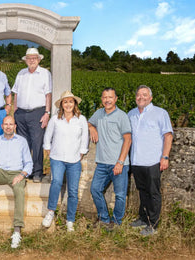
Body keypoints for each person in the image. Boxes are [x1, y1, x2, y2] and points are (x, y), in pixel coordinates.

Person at [0, 116, 33, 249]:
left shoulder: (22, 141)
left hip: (17, 173)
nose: (8, 126)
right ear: (2, 126)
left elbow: (29, 163)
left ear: (15, 126)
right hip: (1, 173)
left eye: (11, 124)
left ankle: (17, 230)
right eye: (6, 124)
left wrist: (21, 175)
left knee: (19, 191)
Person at [128, 85, 173, 236]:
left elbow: (168, 136)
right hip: (136, 160)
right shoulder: (131, 114)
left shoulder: (160, 113)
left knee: (153, 193)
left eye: (144, 95)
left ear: (151, 98)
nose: (141, 97)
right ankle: (143, 218)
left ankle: (153, 225)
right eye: (138, 95)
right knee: (142, 192)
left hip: (153, 160)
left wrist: (165, 156)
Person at [42, 90, 89, 232]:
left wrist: (82, 152)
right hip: (57, 158)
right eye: (65, 101)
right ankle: (50, 211)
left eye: (70, 101)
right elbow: (47, 136)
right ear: (61, 104)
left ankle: (70, 220)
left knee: (73, 190)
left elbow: (85, 138)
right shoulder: (55, 119)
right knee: (56, 182)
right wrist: (48, 149)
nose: (68, 104)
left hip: (74, 160)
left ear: (74, 103)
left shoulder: (81, 119)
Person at [88, 87, 132, 228]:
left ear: (116, 99)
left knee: (119, 195)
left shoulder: (122, 116)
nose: (107, 100)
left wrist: (120, 162)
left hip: (119, 164)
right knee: (95, 189)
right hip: (102, 163)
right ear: (102, 99)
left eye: (110, 97)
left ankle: (117, 222)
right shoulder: (98, 113)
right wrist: (92, 128)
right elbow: (88, 123)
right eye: (105, 97)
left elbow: (128, 140)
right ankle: (104, 219)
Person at [12, 47, 52, 183]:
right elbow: (16, 93)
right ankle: (25, 171)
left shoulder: (45, 73)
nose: (32, 60)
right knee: (23, 144)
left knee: (37, 143)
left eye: (34, 58)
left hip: (38, 113)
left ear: (39, 59)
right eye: (29, 58)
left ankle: (37, 172)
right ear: (26, 60)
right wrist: (15, 112)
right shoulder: (21, 74)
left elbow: (48, 94)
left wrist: (47, 113)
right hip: (21, 113)